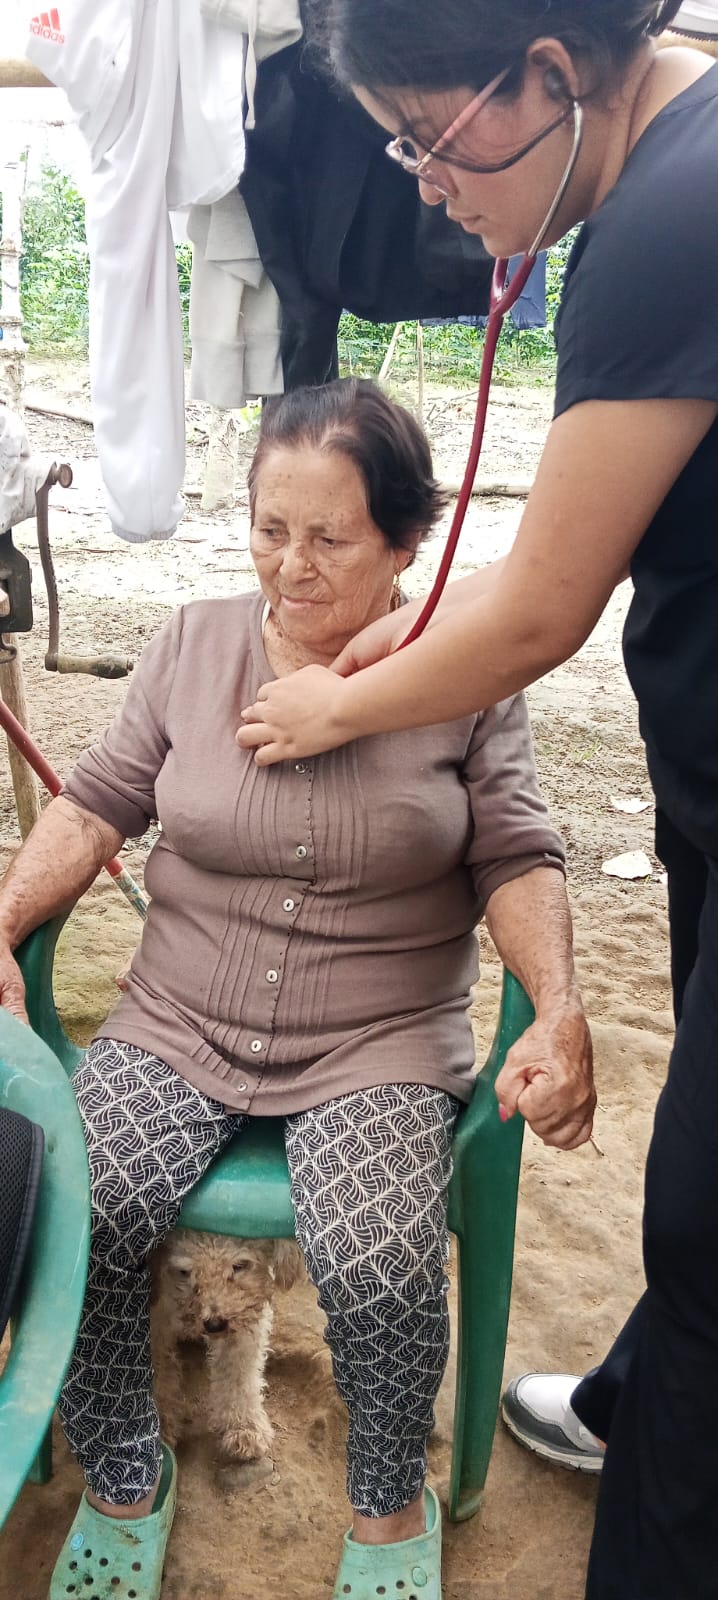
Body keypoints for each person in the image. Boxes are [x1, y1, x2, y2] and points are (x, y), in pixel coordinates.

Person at [233, 7, 718, 1599]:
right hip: (701, 783)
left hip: (386, 1050)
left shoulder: (672, 221)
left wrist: (337, 700)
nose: (420, 183)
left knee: (702, 1227)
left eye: (431, 137)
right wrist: (401, 633)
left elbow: (537, 615)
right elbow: (561, 539)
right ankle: (642, 1391)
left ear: (552, 74)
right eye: (391, 144)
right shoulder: (666, 181)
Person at [0, 379, 592, 1600]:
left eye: (331, 537)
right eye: (271, 529)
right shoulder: (191, 644)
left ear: (406, 543)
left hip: (378, 1035)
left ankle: (385, 1505)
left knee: (377, 1256)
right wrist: (2, 920)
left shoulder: (468, 674)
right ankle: (122, 1471)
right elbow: (98, 799)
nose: (292, 567)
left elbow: (515, 852)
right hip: (178, 1016)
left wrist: (560, 998)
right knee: (81, 1204)